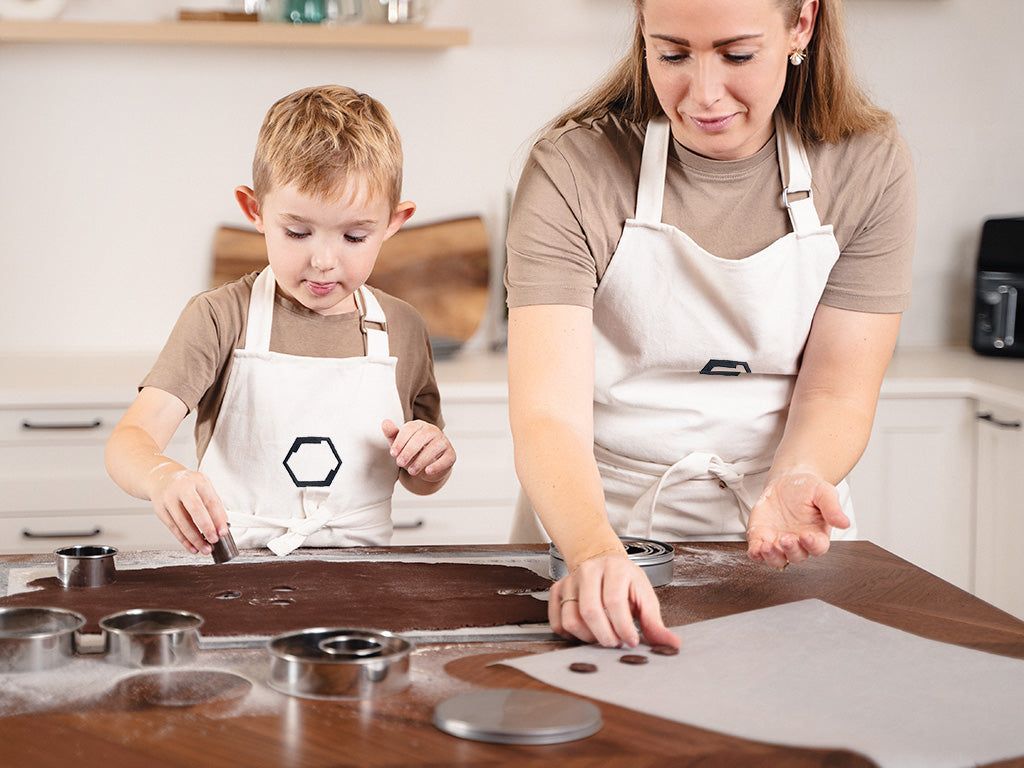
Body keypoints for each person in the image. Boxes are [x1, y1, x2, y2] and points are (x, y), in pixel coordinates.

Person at [506, 0, 915, 649]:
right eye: (671, 53)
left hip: (782, 532)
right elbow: (547, 415)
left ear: (801, 24)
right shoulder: (573, 168)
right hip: (596, 526)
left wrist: (802, 473)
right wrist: (592, 552)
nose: (702, 93)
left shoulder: (866, 163)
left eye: (737, 54)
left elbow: (838, 391)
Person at [106, 85, 456, 557]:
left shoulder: (404, 328)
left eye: (354, 236)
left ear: (394, 222)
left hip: (365, 582)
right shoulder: (219, 318)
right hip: (237, 577)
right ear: (255, 210)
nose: (324, 260)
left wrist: (433, 461)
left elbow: (420, 479)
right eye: (297, 232)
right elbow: (129, 441)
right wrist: (162, 476)